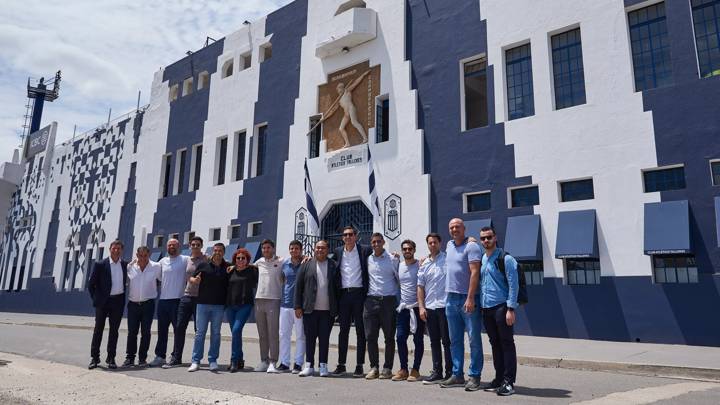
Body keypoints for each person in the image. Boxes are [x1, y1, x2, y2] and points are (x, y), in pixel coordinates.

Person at [441, 218, 484, 391]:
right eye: (451, 227)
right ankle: (457, 374)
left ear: (464, 228)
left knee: (474, 339)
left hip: (468, 298)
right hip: (451, 298)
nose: (454, 229)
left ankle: (474, 376)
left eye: (457, 227)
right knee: (455, 340)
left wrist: (471, 298)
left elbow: (475, 272)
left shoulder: (472, 246)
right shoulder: (449, 245)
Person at [479, 226, 519, 396]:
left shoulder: (506, 259)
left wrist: (511, 308)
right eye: (483, 238)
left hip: (502, 307)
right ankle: (499, 378)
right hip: (486, 308)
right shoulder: (483, 258)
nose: (486, 241)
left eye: (489, 237)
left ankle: (509, 382)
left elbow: (513, 285)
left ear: (495, 238)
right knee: (495, 344)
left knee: (507, 344)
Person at [294, 240, 339, 377]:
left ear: (327, 250)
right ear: (314, 249)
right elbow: (298, 286)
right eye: (318, 248)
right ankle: (309, 366)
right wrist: (297, 306)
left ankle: (323, 366)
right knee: (310, 338)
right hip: (309, 309)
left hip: (327, 311)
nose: (320, 250)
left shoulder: (333, 265)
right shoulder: (306, 264)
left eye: (323, 248)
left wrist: (337, 309)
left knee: (324, 338)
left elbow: (338, 287)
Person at [332, 225, 371, 377]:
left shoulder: (364, 250)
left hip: (359, 294)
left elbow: (379, 255)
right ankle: (341, 364)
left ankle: (359, 365)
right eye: (345, 235)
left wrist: (393, 255)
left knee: (361, 331)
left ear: (356, 236)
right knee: (343, 331)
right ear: (342, 237)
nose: (347, 237)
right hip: (343, 296)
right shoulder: (338, 252)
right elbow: (326, 263)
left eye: (350, 234)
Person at [164, 236, 206, 368]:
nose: (195, 247)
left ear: (201, 246)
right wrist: (190, 280)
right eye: (193, 244)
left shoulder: (206, 258)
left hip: (200, 298)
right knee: (179, 327)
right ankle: (176, 357)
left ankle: (196, 359)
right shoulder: (186, 260)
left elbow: (220, 262)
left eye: (198, 245)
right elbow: (183, 273)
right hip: (186, 297)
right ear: (189, 246)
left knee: (198, 330)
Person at [363, 233, 400, 380]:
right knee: (371, 336)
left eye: (379, 241)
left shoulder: (393, 259)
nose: (376, 244)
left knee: (389, 337)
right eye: (373, 242)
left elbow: (399, 278)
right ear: (371, 244)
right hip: (371, 301)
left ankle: (387, 368)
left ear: (384, 242)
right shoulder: (368, 259)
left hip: (388, 302)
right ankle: (374, 367)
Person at [187, 243, 229, 372]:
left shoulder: (227, 267)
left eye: (220, 251)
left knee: (216, 334)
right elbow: (192, 278)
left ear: (224, 252)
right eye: (215, 250)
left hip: (219, 305)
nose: (217, 253)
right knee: (200, 333)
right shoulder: (203, 265)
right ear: (212, 252)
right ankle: (195, 361)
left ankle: (212, 360)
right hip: (202, 304)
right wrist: (195, 281)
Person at [88, 239, 128, 370]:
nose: (116, 250)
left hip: (117, 301)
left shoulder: (125, 265)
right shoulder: (100, 264)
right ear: (110, 249)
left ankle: (111, 358)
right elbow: (91, 284)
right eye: (114, 248)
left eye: (119, 248)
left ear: (122, 250)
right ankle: (95, 358)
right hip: (102, 302)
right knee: (98, 330)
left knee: (114, 331)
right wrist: (96, 299)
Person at [417, 233, 452, 384]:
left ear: (440, 243)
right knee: (434, 341)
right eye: (430, 243)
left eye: (435, 242)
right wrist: (421, 307)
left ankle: (450, 372)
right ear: (427, 244)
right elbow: (420, 287)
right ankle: (437, 371)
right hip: (430, 307)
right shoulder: (424, 264)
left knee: (447, 341)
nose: (432, 245)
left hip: (445, 306)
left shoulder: (448, 259)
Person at [150, 238, 189, 367]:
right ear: (167, 247)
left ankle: (176, 357)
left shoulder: (185, 259)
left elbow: (198, 260)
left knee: (178, 330)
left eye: (174, 245)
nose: (172, 246)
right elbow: (157, 276)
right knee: (162, 330)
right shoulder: (162, 262)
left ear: (179, 246)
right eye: (169, 245)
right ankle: (160, 356)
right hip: (163, 301)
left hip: (178, 301)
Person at [123, 246, 162, 368]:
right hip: (133, 304)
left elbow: (163, 280)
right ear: (137, 255)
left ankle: (142, 359)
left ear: (149, 255)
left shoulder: (156, 267)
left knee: (146, 332)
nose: (143, 258)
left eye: (145, 255)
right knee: (132, 332)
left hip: (148, 304)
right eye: (141, 255)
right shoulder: (130, 267)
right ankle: (129, 358)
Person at [392, 239, 425, 382]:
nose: (407, 251)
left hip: (418, 308)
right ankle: (403, 369)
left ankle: (415, 370)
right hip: (403, 309)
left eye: (409, 249)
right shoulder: (398, 266)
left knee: (418, 340)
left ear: (414, 250)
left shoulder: (420, 265)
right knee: (400, 338)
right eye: (404, 249)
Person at [225, 248, 258, 372]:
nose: (240, 260)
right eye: (238, 258)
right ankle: (240, 360)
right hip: (230, 306)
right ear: (235, 259)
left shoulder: (252, 270)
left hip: (245, 305)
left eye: (243, 258)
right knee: (236, 334)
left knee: (236, 330)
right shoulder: (230, 271)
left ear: (247, 259)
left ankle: (234, 360)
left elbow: (263, 267)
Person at [254, 239, 284, 373]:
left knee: (273, 333)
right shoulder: (259, 262)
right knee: (262, 334)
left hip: (274, 300)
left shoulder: (281, 261)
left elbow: (295, 260)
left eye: (268, 248)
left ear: (273, 248)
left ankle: (273, 361)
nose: (265, 250)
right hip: (259, 300)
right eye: (263, 248)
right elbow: (245, 267)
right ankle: (263, 361)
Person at [278, 240, 306, 373]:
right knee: (284, 334)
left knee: (300, 335)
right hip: (285, 305)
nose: (294, 251)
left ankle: (299, 363)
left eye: (296, 248)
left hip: (299, 306)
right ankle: (284, 362)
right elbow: (282, 281)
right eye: (292, 248)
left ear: (301, 250)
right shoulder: (284, 265)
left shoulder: (306, 263)